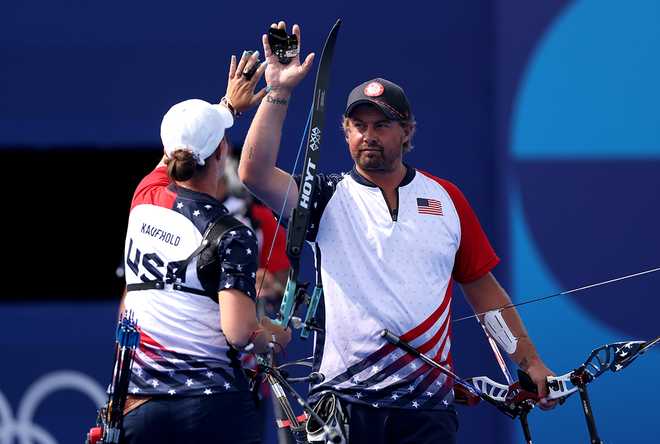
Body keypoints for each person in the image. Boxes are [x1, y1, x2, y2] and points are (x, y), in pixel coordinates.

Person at [238, 22, 556, 444]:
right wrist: (278, 90)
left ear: (407, 132)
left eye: (381, 125)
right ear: (346, 133)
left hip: (426, 408)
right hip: (346, 404)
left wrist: (529, 360)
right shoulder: (325, 194)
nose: (369, 135)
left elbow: (482, 291)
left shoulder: (447, 199)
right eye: (359, 125)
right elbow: (254, 173)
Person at [120, 51, 290, 444]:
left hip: (140, 408)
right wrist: (275, 336)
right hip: (211, 410)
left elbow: (177, 151)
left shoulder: (144, 198)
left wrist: (226, 106)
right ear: (222, 153)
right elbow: (239, 332)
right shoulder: (231, 234)